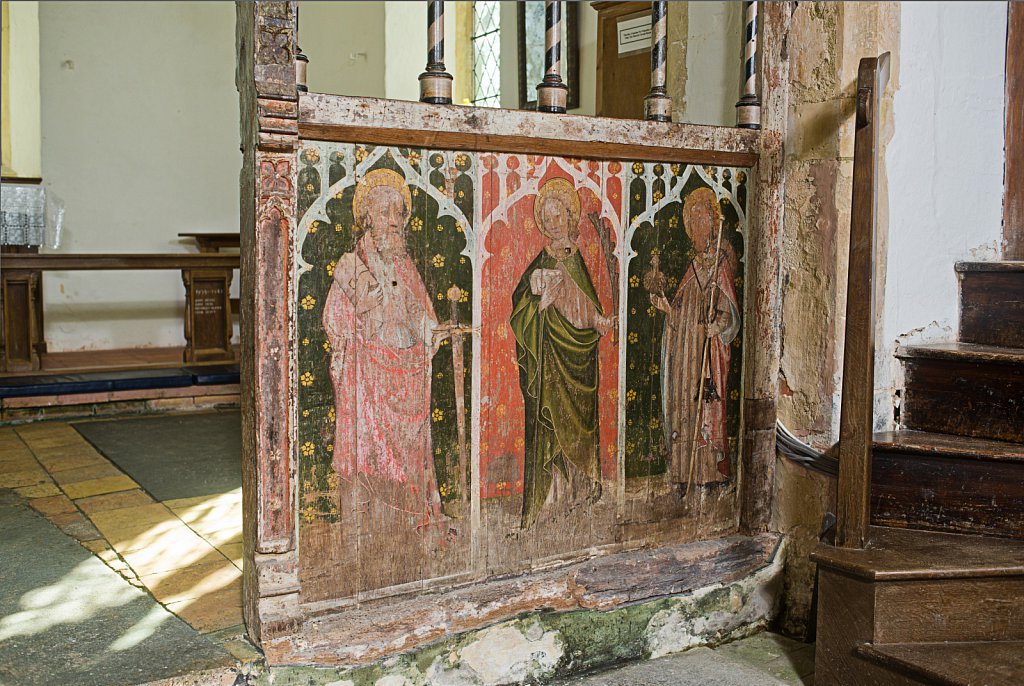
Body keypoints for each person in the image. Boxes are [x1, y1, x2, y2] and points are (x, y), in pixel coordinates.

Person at [322, 168, 450, 525]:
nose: (394, 221)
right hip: (368, 377)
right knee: (367, 459)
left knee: (409, 458)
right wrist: (359, 331)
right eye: (384, 212)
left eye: (399, 213)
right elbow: (334, 320)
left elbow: (423, 314)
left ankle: (407, 524)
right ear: (366, 218)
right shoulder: (352, 265)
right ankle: (370, 527)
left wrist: (432, 332)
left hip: (407, 375)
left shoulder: (405, 266)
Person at [510, 178, 615, 529]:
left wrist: (600, 321)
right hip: (550, 355)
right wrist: (540, 304)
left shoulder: (577, 260)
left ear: (571, 218)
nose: (554, 223)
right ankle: (553, 496)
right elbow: (519, 309)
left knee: (579, 424)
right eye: (548, 218)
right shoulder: (540, 262)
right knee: (551, 422)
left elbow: (584, 304)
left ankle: (580, 490)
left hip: (578, 357)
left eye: (560, 216)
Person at [650, 187, 739, 489]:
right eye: (693, 220)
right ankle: (682, 472)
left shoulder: (721, 264)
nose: (698, 226)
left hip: (707, 353)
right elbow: (681, 316)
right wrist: (667, 310)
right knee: (686, 407)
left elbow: (728, 311)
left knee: (706, 406)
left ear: (714, 223)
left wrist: (718, 327)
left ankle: (709, 472)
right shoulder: (693, 268)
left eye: (703, 218)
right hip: (687, 354)